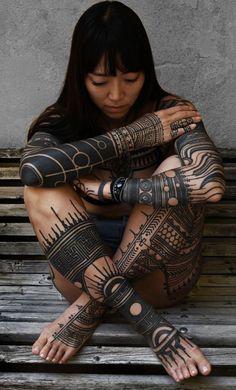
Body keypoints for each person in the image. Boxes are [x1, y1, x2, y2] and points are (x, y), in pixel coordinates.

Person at [19, 1, 225, 383]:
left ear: (146, 73)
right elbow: (33, 171)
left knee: (177, 169)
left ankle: (90, 308)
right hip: (81, 271)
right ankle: (148, 326)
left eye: (130, 79)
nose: (117, 95)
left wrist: (112, 188)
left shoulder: (172, 113)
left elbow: (209, 183)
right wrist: (135, 134)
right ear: (80, 77)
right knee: (41, 188)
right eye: (101, 82)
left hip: (159, 278)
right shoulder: (59, 124)